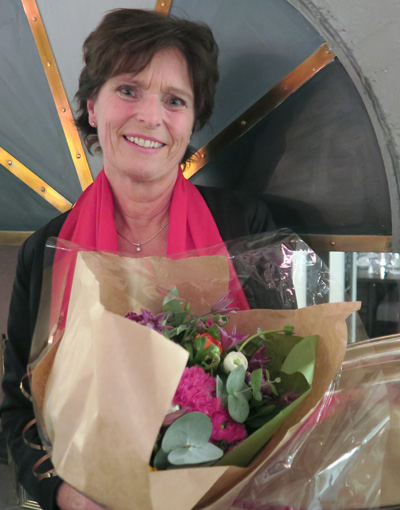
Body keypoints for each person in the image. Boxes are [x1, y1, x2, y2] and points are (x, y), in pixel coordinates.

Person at [0, 8, 275, 510]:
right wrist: (60, 494)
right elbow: (18, 410)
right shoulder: (46, 250)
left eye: (174, 100)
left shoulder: (245, 228)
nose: (151, 116)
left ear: (191, 122)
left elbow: (284, 389)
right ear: (92, 107)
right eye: (128, 90)